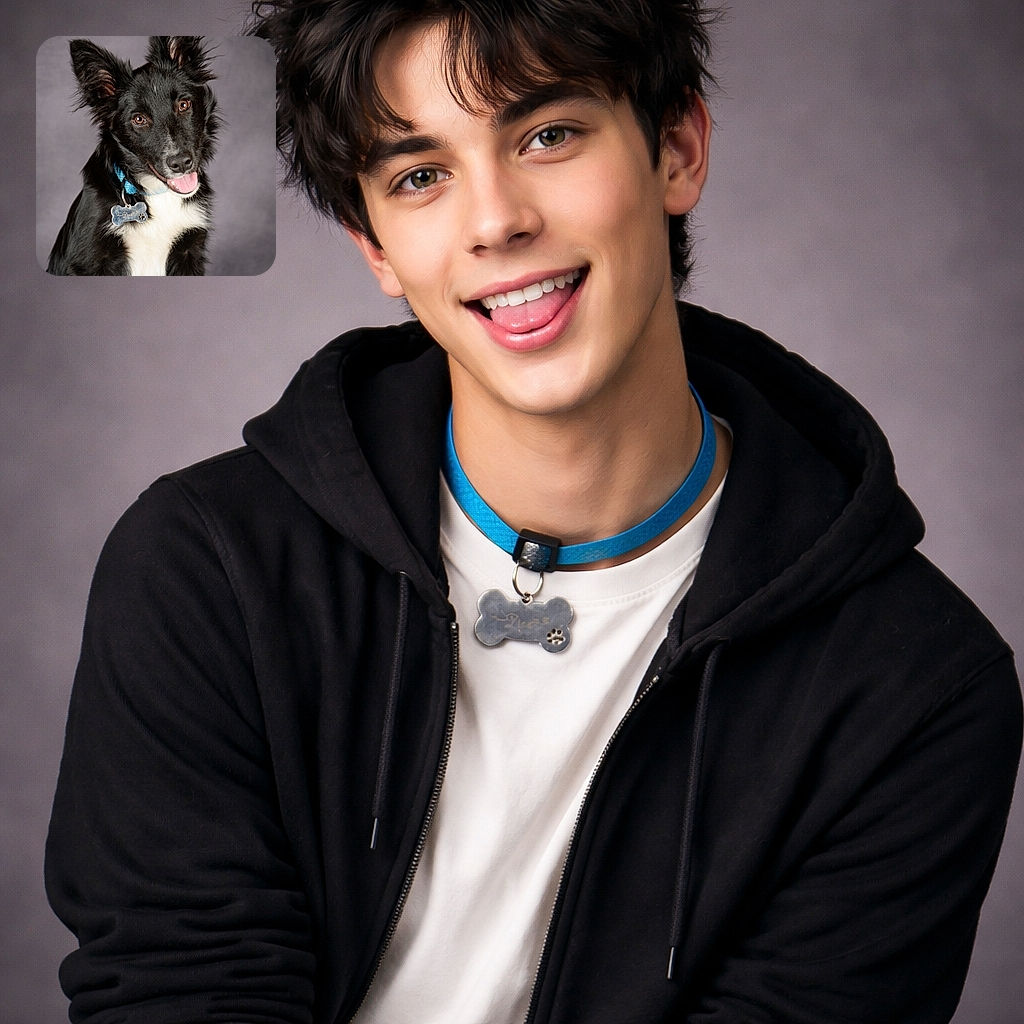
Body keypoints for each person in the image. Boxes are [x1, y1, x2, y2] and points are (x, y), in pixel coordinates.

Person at [45, 2, 1021, 1022]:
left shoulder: (916, 686)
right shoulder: (208, 569)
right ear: (375, 244)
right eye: (420, 174)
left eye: (547, 135)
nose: (495, 218)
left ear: (676, 149)